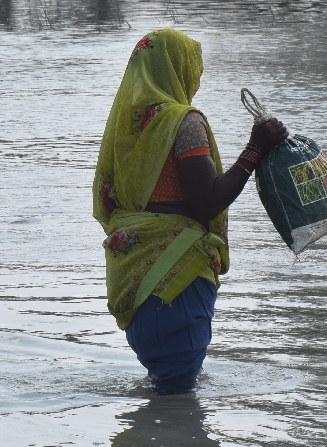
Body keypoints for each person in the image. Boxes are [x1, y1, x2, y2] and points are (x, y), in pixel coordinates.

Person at [92, 30, 288, 395]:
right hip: (176, 270)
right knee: (179, 391)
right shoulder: (183, 122)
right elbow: (209, 201)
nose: (197, 78)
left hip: (133, 275)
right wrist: (255, 149)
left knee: (168, 387)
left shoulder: (126, 128)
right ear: (176, 68)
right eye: (193, 68)